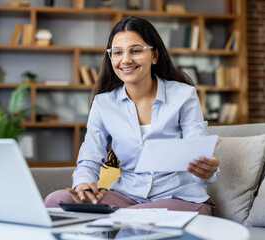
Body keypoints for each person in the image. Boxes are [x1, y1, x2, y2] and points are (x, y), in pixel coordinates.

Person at [44, 16, 219, 215]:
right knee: (56, 201)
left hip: (179, 198)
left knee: (138, 220)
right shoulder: (103, 104)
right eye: (117, 52)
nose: (125, 60)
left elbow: (197, 148)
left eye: (135, 50)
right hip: (127, 197)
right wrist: (84, 184)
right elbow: (90, 157)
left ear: (154, 56)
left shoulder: (183, 95)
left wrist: (206, 170)